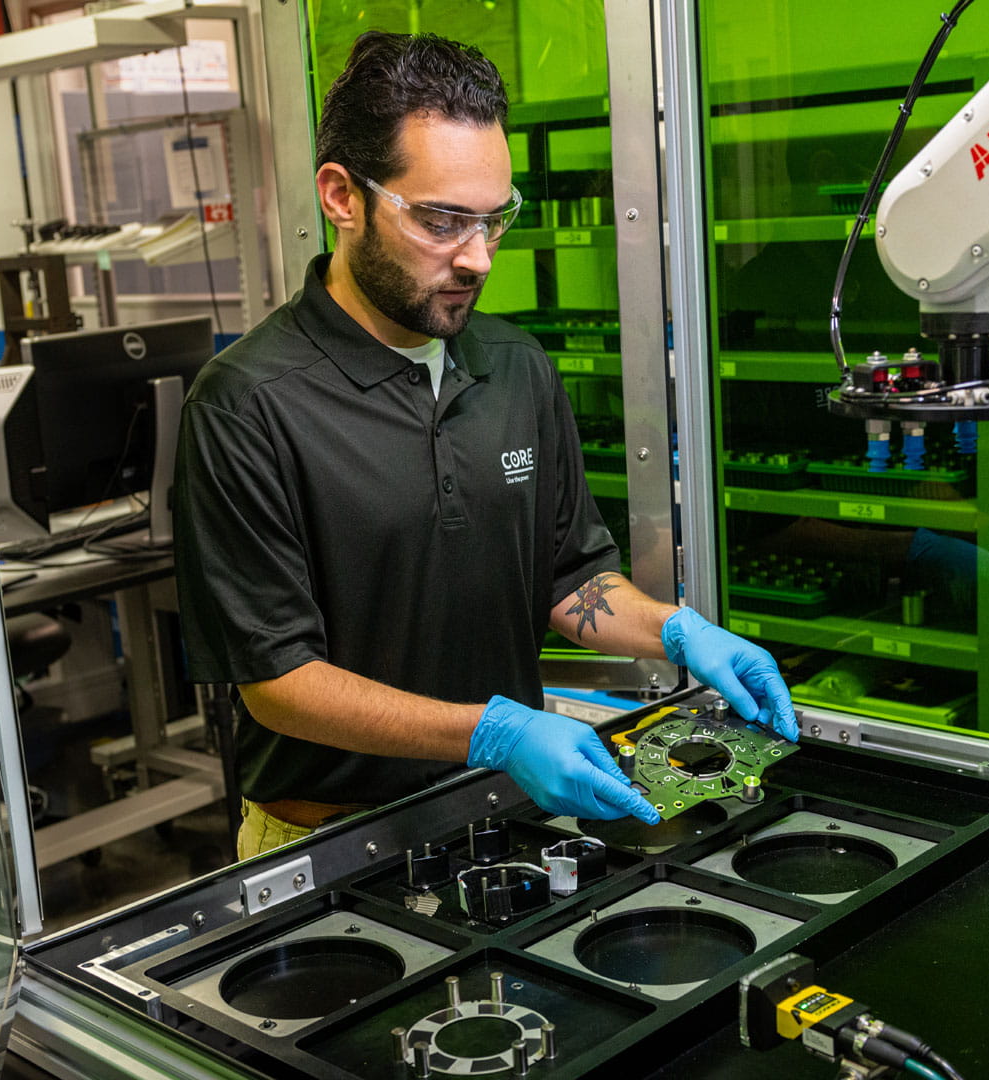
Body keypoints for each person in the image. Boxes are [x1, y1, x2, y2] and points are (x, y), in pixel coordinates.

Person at [174, 31, 796, 861]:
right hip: (326, 848)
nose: (477, 258)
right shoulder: (247, 405)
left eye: (495, 219)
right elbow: (279, 685)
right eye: (441, 220)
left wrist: (681, 633)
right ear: (342, 196)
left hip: (505, 818)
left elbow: (570, 578)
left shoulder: (512, 366)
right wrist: (495, 731)